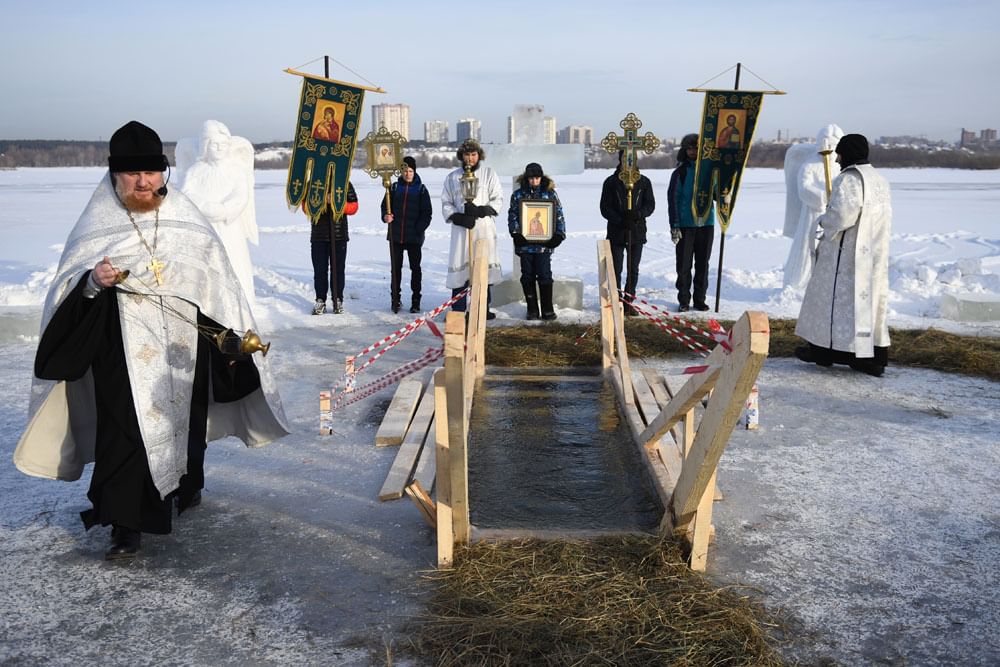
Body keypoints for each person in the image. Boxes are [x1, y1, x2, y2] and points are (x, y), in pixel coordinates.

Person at [13, 121, 289, 560]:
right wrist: (91, 281)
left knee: (187, 424)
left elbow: (218, 278)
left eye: (151, 173)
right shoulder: (97, 222)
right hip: (120, 347)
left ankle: (186, 485)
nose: (143, 182)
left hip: (184, 345)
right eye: (132, 174)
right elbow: (68, 286)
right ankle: (125, 525)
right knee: (124, 433)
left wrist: (228, 336)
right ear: (114, 175)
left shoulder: (185, 216)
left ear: (163, 172)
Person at [794, 134, 892, 377]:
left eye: (839, 153)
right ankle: (871, 357)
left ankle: (825, 352)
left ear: (848, 153)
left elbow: (841, 217)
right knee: (868, 306)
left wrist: (823, 220)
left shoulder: (848, 180)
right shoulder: (879, 180)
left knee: (831, 303)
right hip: (873, 256)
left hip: (844, 258)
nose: (836, 159)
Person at [176, 120, 259, 312]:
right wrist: (206, 207)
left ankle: (240, 302)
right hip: (204, 227)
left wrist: (224, 210)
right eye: (214, 144)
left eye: (223, 144)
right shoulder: (196, 171)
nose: (220, 148)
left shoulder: (235, 171)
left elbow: (241, 196)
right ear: (205, 146)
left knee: (233, 261)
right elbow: (186, 194)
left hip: (230, 229)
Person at [440, 139, 503, 318]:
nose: (470, 158)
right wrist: (458, 217)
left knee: (482, 266)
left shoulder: (489, 174)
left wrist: (482, 210)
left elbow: (497, 198)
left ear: (479, 156)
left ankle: (482, 308)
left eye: (473, 154)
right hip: (462, 230)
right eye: (467, 154)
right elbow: (446, 202)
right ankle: (459, 309)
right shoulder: (452, 177)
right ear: (461, 156)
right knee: (461, 267)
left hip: (483, 228)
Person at [782, 124, 844, 290]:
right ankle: (799, 282)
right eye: (827, 145)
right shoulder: (809, 165)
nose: (830, 150)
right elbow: (804, 189)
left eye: (833, 146)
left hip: (834, 215)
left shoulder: (839, 167)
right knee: (808, 246)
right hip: (813, 213)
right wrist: (823, 197)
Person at [507, 162, 566, 320]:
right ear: (527, 179)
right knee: (527, 276)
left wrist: (559, 234)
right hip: (525, 246)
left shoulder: (550, 194)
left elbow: (559, 214)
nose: (534, 181)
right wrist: (515, 233)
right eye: (531, 178)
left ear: (541, 177)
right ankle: (532, 309)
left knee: (545, 275)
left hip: (544, 246)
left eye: (537, 178)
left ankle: (547, 309)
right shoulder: (518, 195)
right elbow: (512, 215)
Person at [599, 150, 655, 316]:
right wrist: (620, 219)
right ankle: (616, 299)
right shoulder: (611, 182)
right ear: (621, 159)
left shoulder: (644, 182)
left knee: (633, 268)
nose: (628, 162)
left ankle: (628, 301)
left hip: (636, 231)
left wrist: (636, 215)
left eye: (631, 158)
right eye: (625, 158)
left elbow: (650, 205)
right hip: (617, 231)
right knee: (615, 268)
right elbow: (605, 208)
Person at [668, 133, 715, 312]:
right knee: (684, 265)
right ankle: (684, 299)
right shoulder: (680, 172)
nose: (693, 152)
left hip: (706, 224)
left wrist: (724, 195)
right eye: (689, 148)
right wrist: (674, 224)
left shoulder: (709, 172)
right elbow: (673, 199)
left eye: (696, 148)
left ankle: (700, 299)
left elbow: (717, 192)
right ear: (685, 150)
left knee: (703, 264)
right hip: (686, 225)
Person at [381, 156, 432, 313]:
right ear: (401, 172)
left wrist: (419, 229)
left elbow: (427, 213)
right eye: (405, 171)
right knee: (395, 269)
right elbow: (385, 207)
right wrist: (386, 216)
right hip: (396, 236)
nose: (408, 174)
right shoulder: (394, 188)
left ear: (414, 171)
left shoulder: (421, 190)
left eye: (410, 171)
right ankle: (395, 299)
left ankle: (415, 300)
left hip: (414, 237)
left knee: (415, 269)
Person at [309, 182, 358, 314]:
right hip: (319, 234)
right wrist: (321, 201)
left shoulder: (344, 182)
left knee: (338, 270)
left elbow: (354, 207)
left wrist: (337, 204)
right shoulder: (313, 182)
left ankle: (337, 300)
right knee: (320, 270)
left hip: (338, 234)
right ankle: (320, 300)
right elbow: (305, 206)